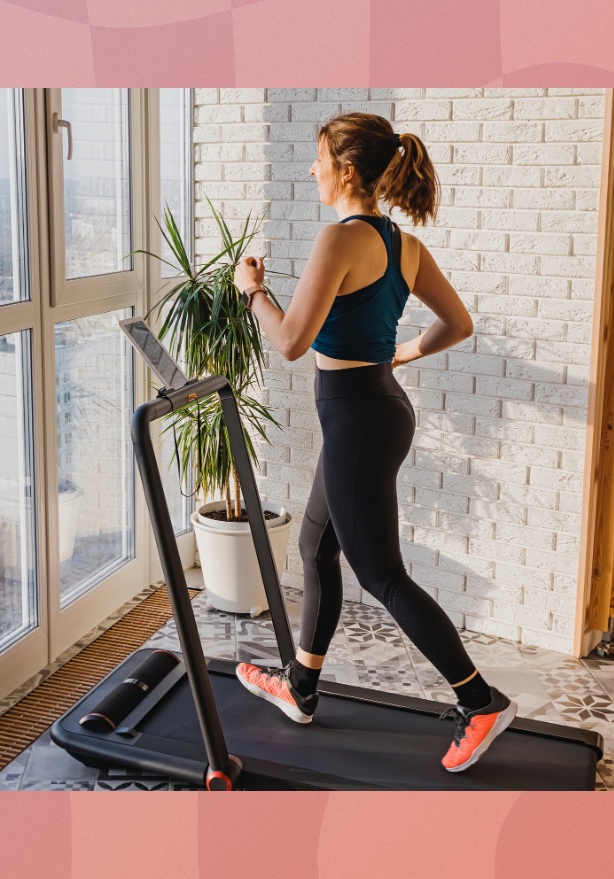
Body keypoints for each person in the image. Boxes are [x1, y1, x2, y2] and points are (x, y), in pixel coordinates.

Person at [231, 112, 517, 773]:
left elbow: (292, 341)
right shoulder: (403, 244)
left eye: (319, 158)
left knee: (382, 574)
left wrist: (253, 292)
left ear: (346, 169)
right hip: (377, 409)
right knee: (314, 542)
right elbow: (458, 322)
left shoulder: (340, 240)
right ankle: (300, 687)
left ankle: (480, 701)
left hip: (357, 419)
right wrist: (403, 353)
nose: (313, 169)